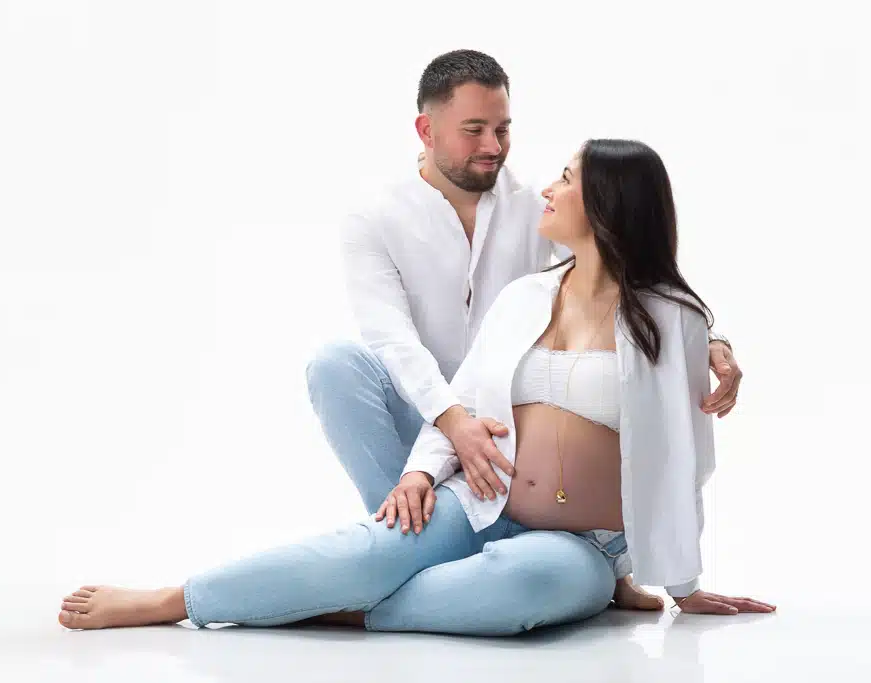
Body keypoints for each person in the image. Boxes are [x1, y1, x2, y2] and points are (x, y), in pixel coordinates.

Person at [57, 139, 774, 633]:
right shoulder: (526, 297)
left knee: (531, 586)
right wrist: (420, 474)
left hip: (583, 544)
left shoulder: (672, 319)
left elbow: (685, 460)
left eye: (566, 177)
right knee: (365, 550)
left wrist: (682, 584)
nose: (549, 188)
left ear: (610, 202)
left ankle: (339, 607)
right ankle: (176, 599)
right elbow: (465, 396)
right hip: (483, 500)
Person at [304, 49, 741, 610]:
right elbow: (392, 340)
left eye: (503, 128)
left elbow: (624, 274)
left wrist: (708, 338)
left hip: (509, 434)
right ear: (426, 130)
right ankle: (409, 547)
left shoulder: (539, 205)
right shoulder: (375, 217)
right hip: (432, 423)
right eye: (474, 130)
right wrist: (454, 423)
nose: (493, 145)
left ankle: (412, 574)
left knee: (536, 573)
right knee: (335, 366)